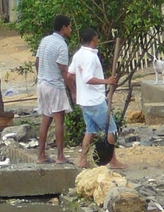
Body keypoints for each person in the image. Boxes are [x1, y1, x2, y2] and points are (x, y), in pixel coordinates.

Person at [70, 28, 124, 171]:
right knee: (111, 129)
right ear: (94, 39)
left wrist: (76, 90)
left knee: (91, 130)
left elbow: (70, 75)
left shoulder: (78, 55)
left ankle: (82, 160)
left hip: (84, 101)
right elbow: (88, 78)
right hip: (95, 100)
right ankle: (113, 161)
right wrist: (107, 81)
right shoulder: (91, 57)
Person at [36, 15, 75, 164]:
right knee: (59, 120)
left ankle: (41, 155)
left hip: (42, 84)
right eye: (69, 27)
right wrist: (72, 90)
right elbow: (64, 70)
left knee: (46, 118)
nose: (70, 30)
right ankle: (60, 156)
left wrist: (42, 75)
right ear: (64, 27)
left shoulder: (45, 41)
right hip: (54, 85)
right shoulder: (62, 46)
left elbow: (37, 62)